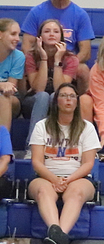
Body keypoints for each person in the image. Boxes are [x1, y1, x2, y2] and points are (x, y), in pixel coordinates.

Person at [27, 82, 101, 244]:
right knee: (43, 191)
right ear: (56, 101)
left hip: (78, 177)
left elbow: (88, 164)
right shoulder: (41, 126)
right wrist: (54, 179)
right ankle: (57, 233)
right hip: (45, 176)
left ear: (77, 102)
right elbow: (37, 162)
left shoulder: (87, 128)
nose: (68, 99)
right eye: (63, 96)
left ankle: (58, 236)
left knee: (76, 192)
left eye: (72, 96)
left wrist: (68, 180)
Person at [21, 0, 95, 94]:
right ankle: (24, 101)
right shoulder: (36, 12)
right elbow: (26, 46)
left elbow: (86, 52)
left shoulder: (80, 15)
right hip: (40, 62)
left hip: (66, 63)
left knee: (83, 69)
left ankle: (80, 103)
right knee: (21, 66)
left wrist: (68, 64)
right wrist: (39, 63)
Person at [22, 19, 79, 155]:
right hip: (33, 102)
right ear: (40, 37)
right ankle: (32, 149)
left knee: (55, 96)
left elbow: (61, 89)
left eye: (56, 31)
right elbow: (38, 88)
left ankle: (61, 147)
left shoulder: (71, 58)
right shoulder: (31, 56)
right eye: (47, 31)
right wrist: (43, 58)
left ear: (61, 37)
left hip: (56, 100)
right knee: (43, 96)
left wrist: (58, 60)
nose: (52, 34)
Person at [0, 18, 24, 131]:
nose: (17, 39)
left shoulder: (18, 56)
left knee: (4, 98)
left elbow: (10, 88)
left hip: (11, 98)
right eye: (13, 34)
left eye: (18, 35)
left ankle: (3, 141)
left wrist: (4, 87)